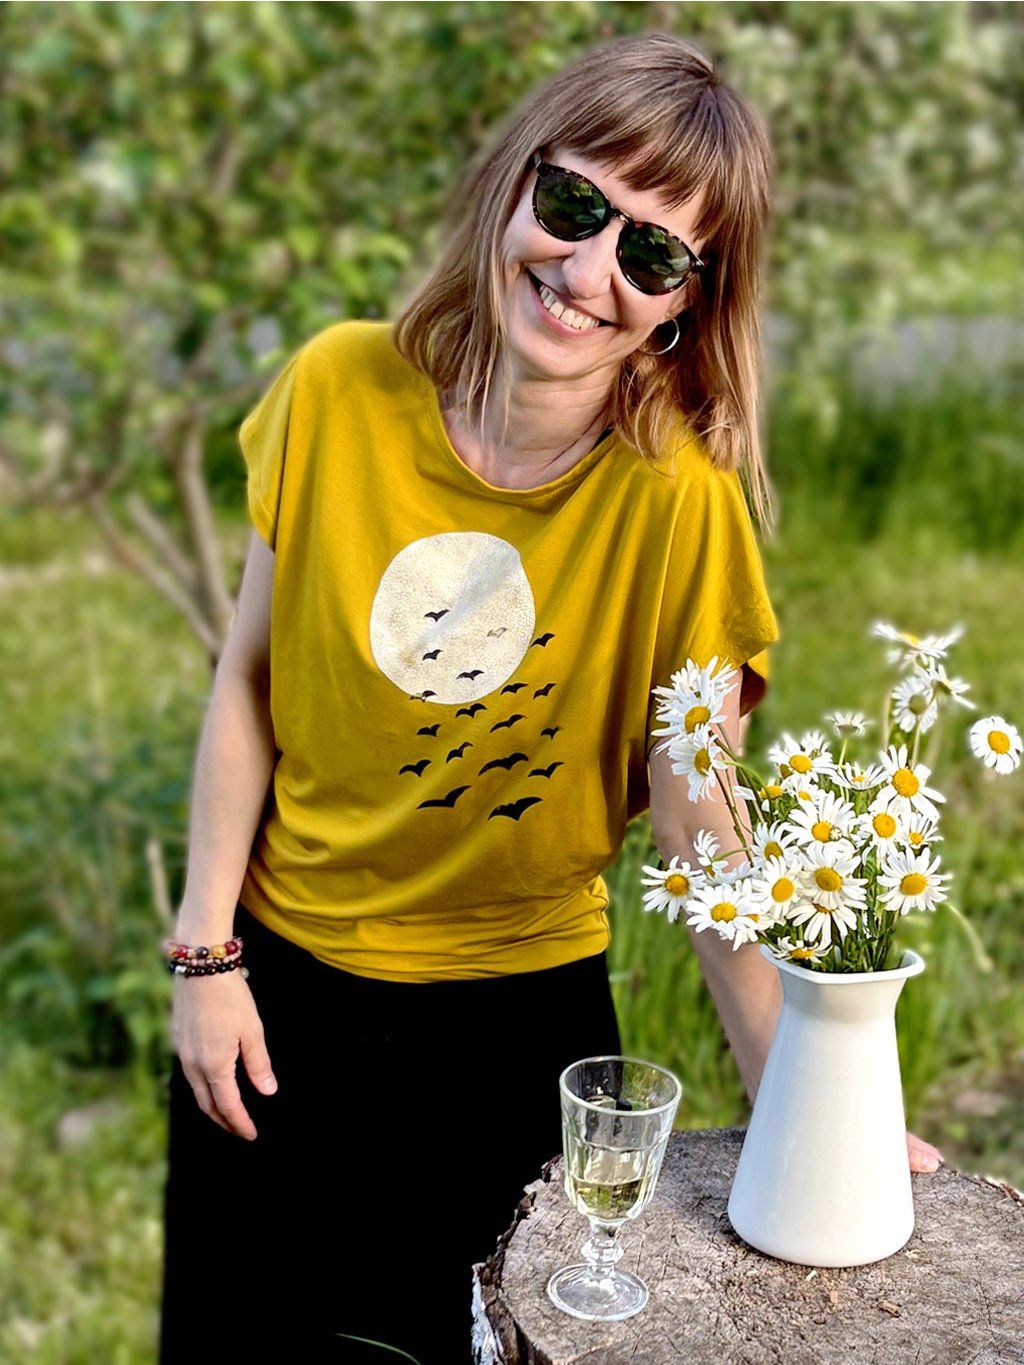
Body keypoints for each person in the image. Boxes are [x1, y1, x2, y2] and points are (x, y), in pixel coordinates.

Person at [158, 31, 941, 1365]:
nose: (587, 272)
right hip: (273, 1003)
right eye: (574, 204)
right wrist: (204, 956)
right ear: (516, 183)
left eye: (652, 254)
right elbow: (248, 680)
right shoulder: (336, 388)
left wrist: (809, 1105)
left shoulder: (681, 505)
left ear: (686, 301)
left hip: (516, 1037)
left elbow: (700, 832)